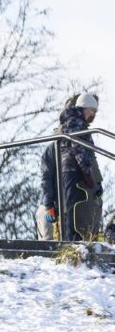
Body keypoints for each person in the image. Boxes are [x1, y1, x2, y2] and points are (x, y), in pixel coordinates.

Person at [58, 94, 102, 241]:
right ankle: (71, 239)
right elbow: (79, 149)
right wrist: (88, 174)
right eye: (92, 110)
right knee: (74, 205)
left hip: (77, 168)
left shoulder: (79, 123)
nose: (93, 114)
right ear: (85, 108)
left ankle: (76, 237)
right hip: (73, 169)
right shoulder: (74, 122)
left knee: (80, 204)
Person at [36, 95, 79, 241]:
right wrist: (49, 205)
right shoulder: (52, 149)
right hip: (52, 205)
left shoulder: (79, 148)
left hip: (68, 207)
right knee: (48, 244)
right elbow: (46, 179)